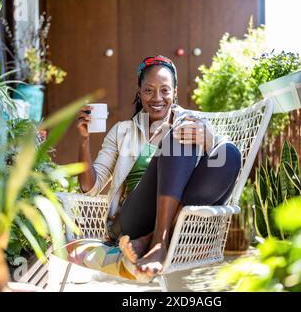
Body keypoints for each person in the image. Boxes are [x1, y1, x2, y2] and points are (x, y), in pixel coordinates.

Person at [76, 55, 241, 277]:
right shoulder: (122, 131)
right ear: (139, 92)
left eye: (165, 90)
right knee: (176, 137)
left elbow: (220, 165)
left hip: (186, 221)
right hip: (132, 221)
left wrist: (208, 139)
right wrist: (84, 139)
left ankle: (153, 240)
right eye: (149, 90)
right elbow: (90, 187)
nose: (157, 98)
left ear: (175, 91)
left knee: (229, 152)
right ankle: (160, 241)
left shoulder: (192, 123)